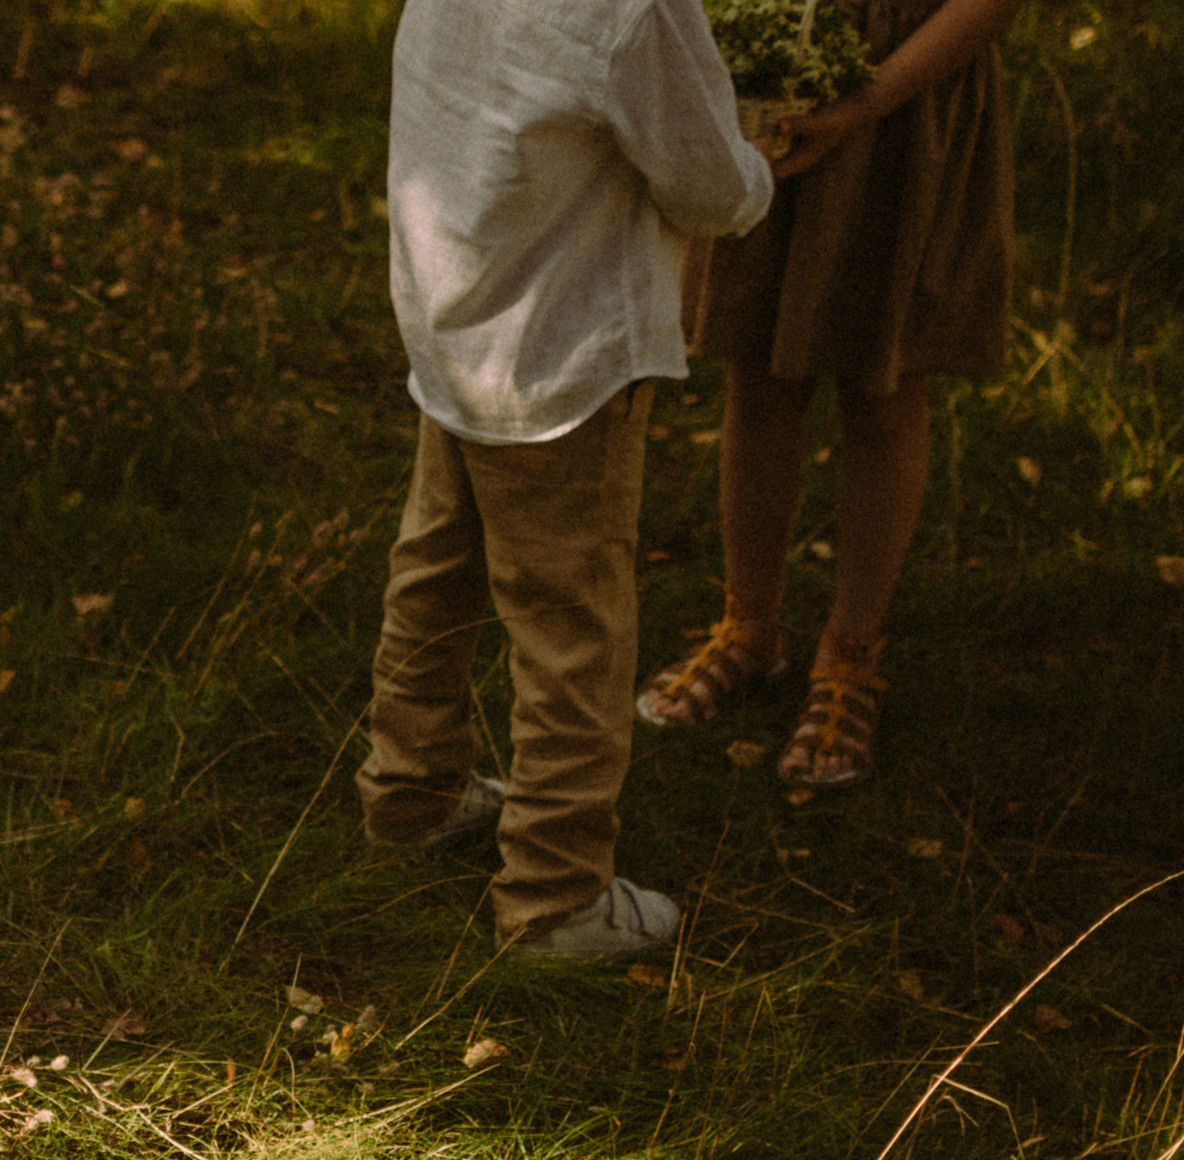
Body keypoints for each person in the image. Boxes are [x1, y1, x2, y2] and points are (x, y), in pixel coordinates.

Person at [358, 0, 775, 959]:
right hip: (562, 354)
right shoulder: (638, 9)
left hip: (454, 313)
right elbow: (709, 189)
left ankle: (410, 790)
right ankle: (554, 894)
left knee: (438, 567)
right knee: (572, 626)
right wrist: (759, 166)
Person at [636, 0, 1022, 786]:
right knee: (760, 368)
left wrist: (869, 97)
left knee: (883, 385)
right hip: (782, 75)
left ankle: (849, 657)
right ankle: (749, 629)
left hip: (907, 99)